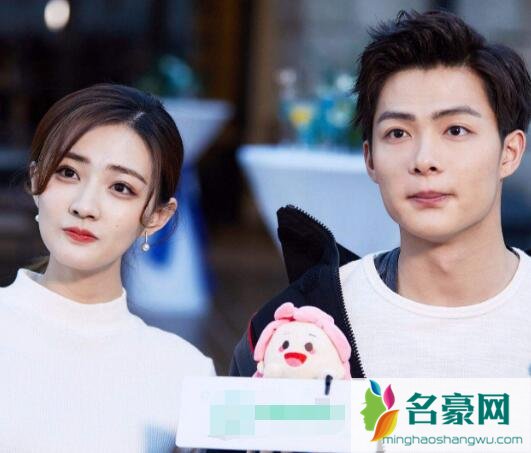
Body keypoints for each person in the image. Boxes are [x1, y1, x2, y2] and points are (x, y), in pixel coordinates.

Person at [230, 10, 531, 379]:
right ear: (370, 158)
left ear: (509, 153)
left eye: (455, 130)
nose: (424, 160)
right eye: (397, 133)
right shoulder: (295, 328)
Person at [0, 84, 215, 452]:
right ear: (36, 180)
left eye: (121, 187)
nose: (85, 206)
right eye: (68, 172)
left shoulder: (184, 373)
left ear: (157, 216)